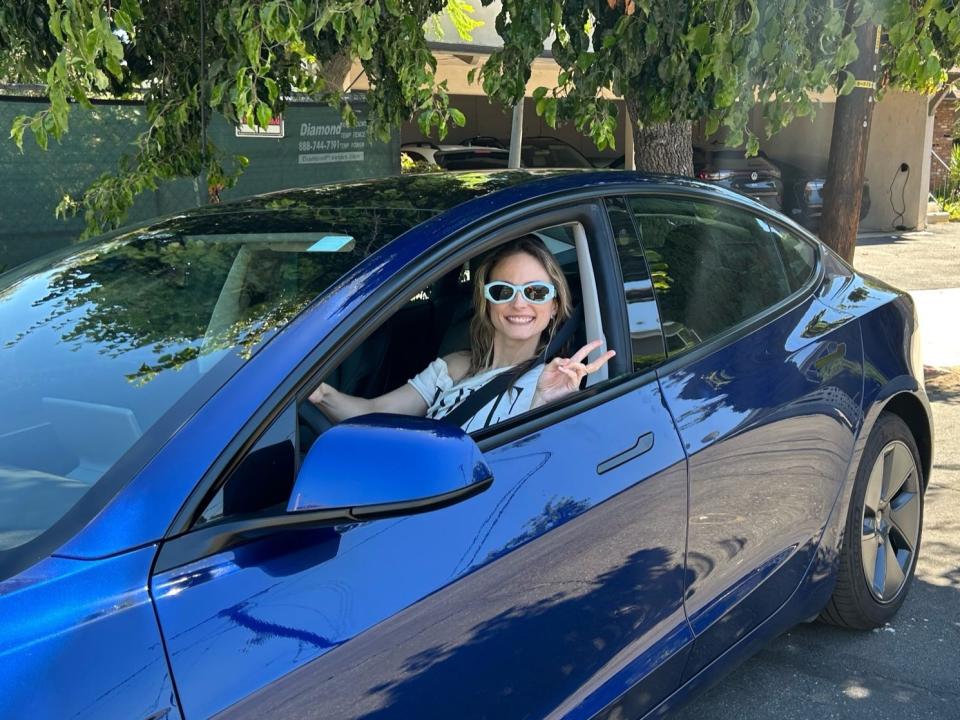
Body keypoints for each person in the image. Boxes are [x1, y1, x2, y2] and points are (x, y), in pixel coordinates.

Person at [309, 235, 615, 432]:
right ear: (486, 301)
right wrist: (318, 392)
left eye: (535, 292)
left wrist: (545, 403)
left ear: (553, 306)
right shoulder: (455, 366)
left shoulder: (552, 382)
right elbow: (372, 414)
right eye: (503, 290)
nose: (519, 302)